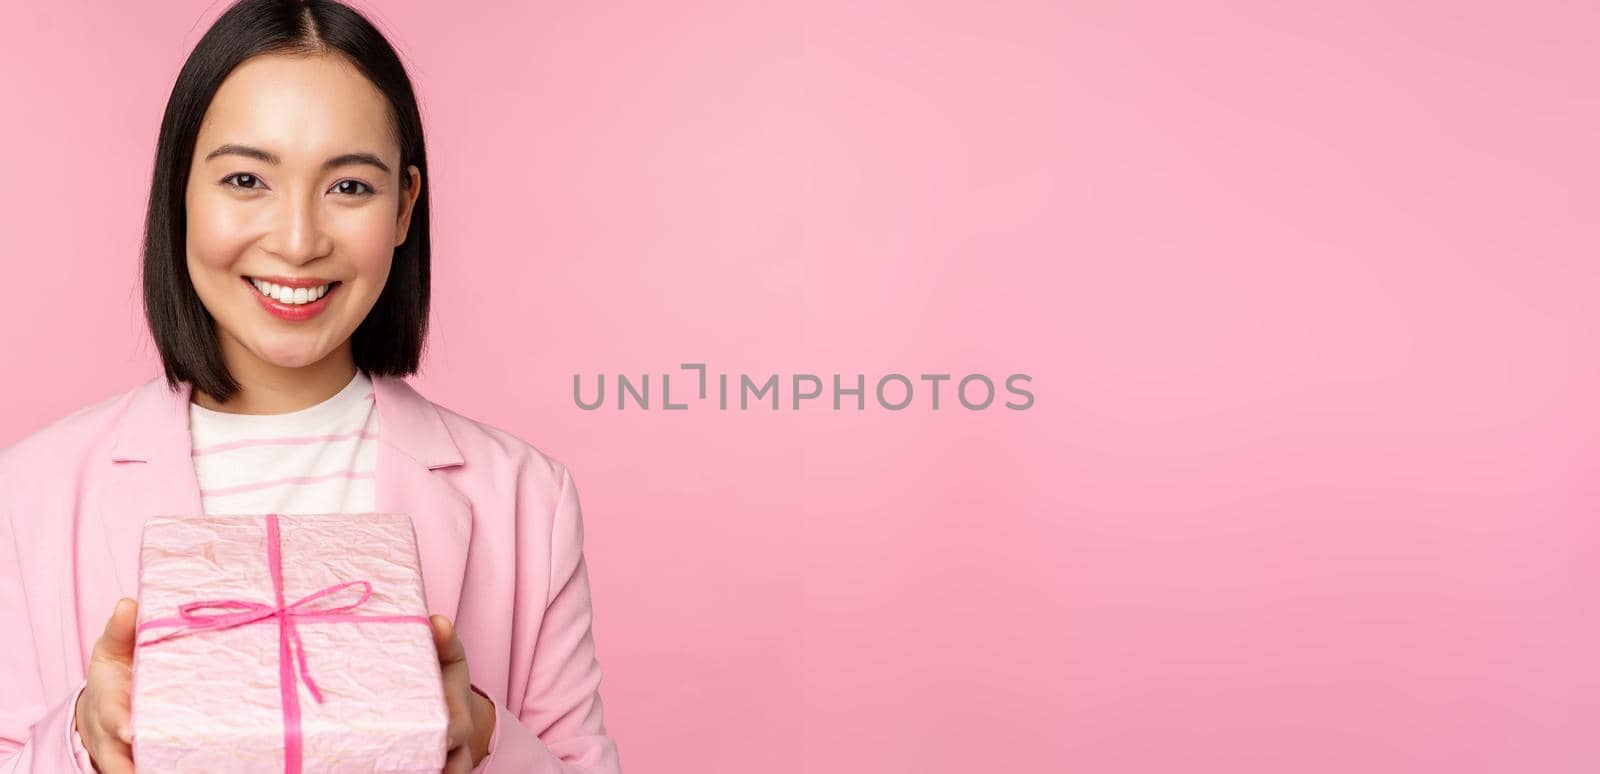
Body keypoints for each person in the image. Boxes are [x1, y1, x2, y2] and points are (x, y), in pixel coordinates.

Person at [0, 1, 622, 772]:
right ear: (179, 193)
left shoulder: (526, 499)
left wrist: (482, 732)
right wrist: (82, 739)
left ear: (404, 206)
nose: (297, 241)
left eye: (350, 188)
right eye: (245, 178)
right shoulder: (30, 492)